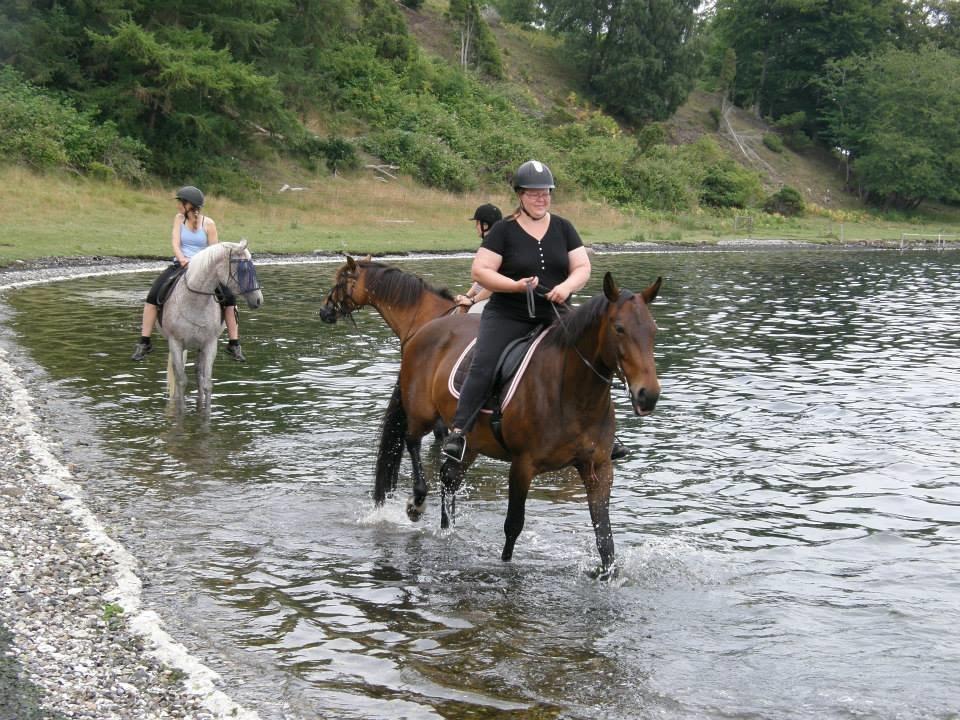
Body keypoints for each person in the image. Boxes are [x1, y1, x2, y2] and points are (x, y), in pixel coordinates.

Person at [441, 160, 591, 462]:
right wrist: (514, 285)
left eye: (546, 192)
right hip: (508, 314)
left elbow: (582, 266)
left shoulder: (564, 228)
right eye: (534, 193)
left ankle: (598, 432)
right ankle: (458, 432)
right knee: (484, 363)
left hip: (555, 312)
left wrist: (567, 286)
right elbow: (480, 270)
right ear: (520, 195)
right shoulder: (502, 230)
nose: (541, 198)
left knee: (591, 357)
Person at [130, 186, 246, 362]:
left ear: (189, 205)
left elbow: (213, 251)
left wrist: (202, 265)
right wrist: (182, 259)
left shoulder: (209, 224)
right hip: (181, 265)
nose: (178, 205)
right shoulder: (178, 219)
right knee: (152, 296)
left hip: (204, 270)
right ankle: (144, 342)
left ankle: (234, 343)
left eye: (180, 202)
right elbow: (175, 243)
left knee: (230, 299)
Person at [455, 203, 502, 313]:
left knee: (473, 312)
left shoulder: (498, 245)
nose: (476, 226)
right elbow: (481, 280)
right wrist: (466, 296)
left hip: (500, 298)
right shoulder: (488, 243)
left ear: (485, 225)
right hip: (489, 295)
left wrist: (472, 301)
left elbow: (493, 285)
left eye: (477, 223)